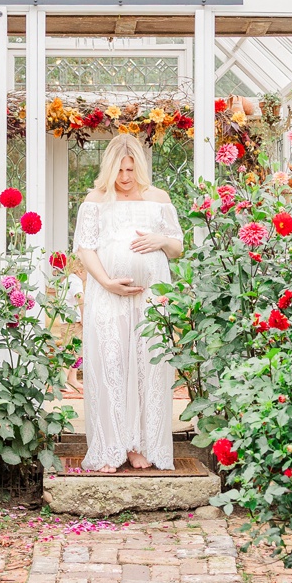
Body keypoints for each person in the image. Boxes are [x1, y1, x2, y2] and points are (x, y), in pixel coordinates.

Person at [72, 134, 184, 472]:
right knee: (112, 366)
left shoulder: (158, 198)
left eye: (131, 170)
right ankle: (111, 448)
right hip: (108, 296)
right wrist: (107, 281)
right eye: (119, 170)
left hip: (151, 298)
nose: (125, 177)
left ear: (140, 167)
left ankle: (141, 446)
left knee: (148, 369)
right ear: (109, 169)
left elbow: (177, 246)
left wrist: (161, 239)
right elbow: (85, 247)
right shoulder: (95, 200)